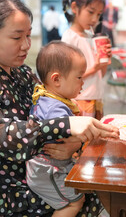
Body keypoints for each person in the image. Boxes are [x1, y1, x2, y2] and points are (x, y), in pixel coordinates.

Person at [0, 0, 119, 217]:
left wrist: (72, 144)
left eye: (28, 36)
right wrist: (65, 126)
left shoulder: (21, 73)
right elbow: (0, 136)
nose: (26, 45)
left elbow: (50, 110)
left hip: (33, 180)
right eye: (17, 37)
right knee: (92, 202)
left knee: (103, 193)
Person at [27, 41, 87, 217]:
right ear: (57, 79)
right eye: (79, 77)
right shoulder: (56, 110)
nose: (83, 82)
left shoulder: (47, 98)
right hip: (48, 171)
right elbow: (72, 136)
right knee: (74, 202)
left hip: (47, 167)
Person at [62, 0, 111, 120]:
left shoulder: (91, 35)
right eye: (91, 12)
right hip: (81, 99)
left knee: (96, 137)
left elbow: (100, 74)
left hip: (96, 96)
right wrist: (95, 67)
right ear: (74, 8)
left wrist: (104, 61)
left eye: (99, 14)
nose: (95, 19)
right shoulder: (69, 37)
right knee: (85, 138)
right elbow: (68, 77)